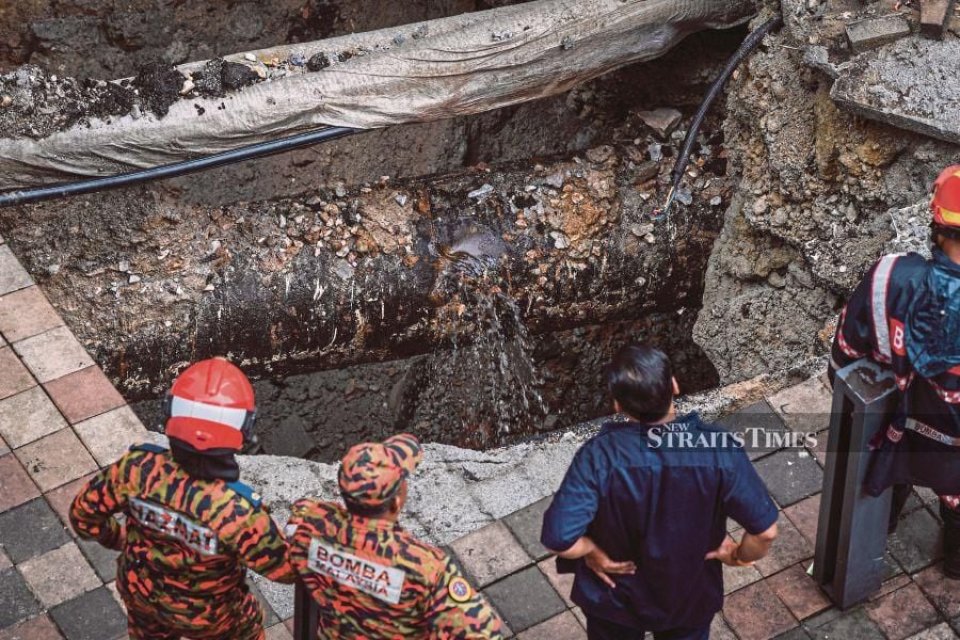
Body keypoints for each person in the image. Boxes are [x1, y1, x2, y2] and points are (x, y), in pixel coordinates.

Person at [541, 344, 778, 640]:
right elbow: (765, 532)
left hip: (616, 597)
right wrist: (738, 555)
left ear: (617, 405)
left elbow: (557, 537)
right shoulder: (718, 449)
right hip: (688, 593)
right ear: (674, 386)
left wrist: (591, 551)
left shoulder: (598, 457)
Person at [70, 358, 295, 640]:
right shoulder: (239, 512)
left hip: (142, 596)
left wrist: (120, 539)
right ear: (243, 432)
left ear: (170, 413)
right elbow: (285, 570)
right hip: (213, 618)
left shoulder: (137, 469)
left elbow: (83, 517)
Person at [831, 164, 960, 578]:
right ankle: (956, 563)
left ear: (934, 223)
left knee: (887, 478)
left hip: (893, 431)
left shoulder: (889, 276)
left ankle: (879, 525)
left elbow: (844, 359)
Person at [285, 433, 505, 639]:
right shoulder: (426, 568)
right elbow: (480, 633)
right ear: (397, 501)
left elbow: (282, 570)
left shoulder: (308, 524)